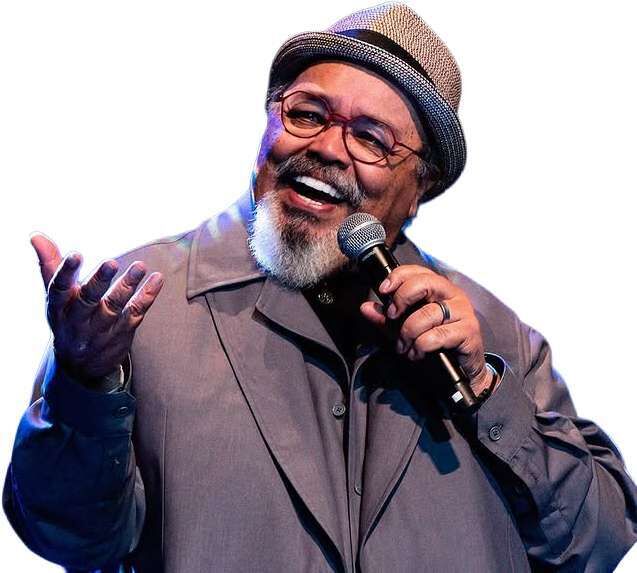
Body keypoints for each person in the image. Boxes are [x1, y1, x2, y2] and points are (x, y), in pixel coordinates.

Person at [4, 3, 637, 571]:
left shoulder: (495, 340)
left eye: (371, 138)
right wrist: (85, 385)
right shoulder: (138, 308)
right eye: (307, 114)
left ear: (419, 189)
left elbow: (596, 542)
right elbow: (68, 537)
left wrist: (483, 392)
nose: (329, 148)